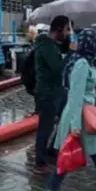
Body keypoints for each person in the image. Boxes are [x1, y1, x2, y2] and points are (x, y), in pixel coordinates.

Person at [46, 28, 96, 191]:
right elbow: (76, 96)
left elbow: (93, 91)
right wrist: (75, 126)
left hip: (82, 117)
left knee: (66, 158)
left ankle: (50, 189)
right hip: (80, 119)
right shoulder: (82, 64)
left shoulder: (85, 62)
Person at [33, 15, 70, 174]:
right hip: (48, 92)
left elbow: (61, 50)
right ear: (58, 30)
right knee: (45, 128)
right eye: (67, 29)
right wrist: (70, 54)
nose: (68, 33)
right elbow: (57, 68)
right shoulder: (46, 47)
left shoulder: (53, 45)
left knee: (66, 119)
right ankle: (39, 162)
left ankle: (52, 149)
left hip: (58, 91)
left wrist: (69, 44)